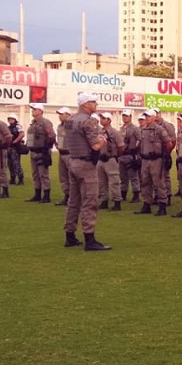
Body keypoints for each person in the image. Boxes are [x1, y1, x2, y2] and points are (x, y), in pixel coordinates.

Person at [63, 93, 111, 251]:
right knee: (90, 202)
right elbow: (96, 146)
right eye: (93, 102)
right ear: (85, 104)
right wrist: (103, 138)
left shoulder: (70, 120)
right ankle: (89, 239)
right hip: (86, 164)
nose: (95, 104)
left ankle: (70, 235)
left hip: (73, 160)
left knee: (73, 201)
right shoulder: (87, 121)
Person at [135, 109, 174, 216]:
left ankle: (162, 205)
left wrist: (165, 155)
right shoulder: (143, 130)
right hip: (145, 159)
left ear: (153, 117)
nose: (146, 118)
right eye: (145, 116)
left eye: (148, 116)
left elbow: (169, 143)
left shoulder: (159, 129)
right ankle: (147, 203)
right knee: (145, 182)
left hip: (156, 159)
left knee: (159, 182)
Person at [26, 104, 57, 203]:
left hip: (42, 151)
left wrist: (46, 148)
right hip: (33, 151)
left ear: (41, 111)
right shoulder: (33, 123)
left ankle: (46, 195)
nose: (33, 111)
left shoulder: (45, 122)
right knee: (35, 174)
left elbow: (52, 136)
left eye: (35, 109)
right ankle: (37, 194)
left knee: (43, 174)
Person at [96, 112, 125, 211]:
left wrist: (114, 155)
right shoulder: (100, 132)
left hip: (110, 159)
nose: (102, 120)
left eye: (104, 118)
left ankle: (117, 201)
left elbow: (121, 146)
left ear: (109, 120)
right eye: (101, 118)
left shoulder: (114, 132)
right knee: (101, 181)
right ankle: (104, 200)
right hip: (101, 159)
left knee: (114, 181)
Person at [153, 108, 176, 205]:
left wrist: (167, 153)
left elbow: (173, 141)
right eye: (154, 114)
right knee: (155, 176)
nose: (156, 115)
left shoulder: (167, 125)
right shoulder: (151, 126)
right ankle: (157, 196)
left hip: (164, 153)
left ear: (160, 114)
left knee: (165, 176)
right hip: (154, 155)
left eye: (157, 113)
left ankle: (168, 196)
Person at [118, 110, 142, 204]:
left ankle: (136, 194)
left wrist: (135, 149)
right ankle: (123, 194)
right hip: (122, 155)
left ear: (130, 117)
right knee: (123, 176)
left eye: (126, 116)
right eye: (123, 116)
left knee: (133, 176)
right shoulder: (121, 128)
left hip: (131, 154)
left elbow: (140, 139)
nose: (124, 118)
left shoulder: (135, 128)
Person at [54, 107, 73, 205]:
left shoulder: (72, 126)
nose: (60, 116)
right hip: (61, 153)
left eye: (62, 114)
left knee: (71, 176)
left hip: (70, 154)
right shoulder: (59, 126)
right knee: (63, 177)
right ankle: (66, 195)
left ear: (68, 115)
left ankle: (73, 198)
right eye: (60, 114)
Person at [7, 114, 25, 186]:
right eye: (9, 119)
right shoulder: (8, 127)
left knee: (16, 163)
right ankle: (12, 178)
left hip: (15, 147)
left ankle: (20, 179)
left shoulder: (18, 126)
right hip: (9, 147)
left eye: (12, 119)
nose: (10, 120)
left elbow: (22, 134)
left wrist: (15, 141)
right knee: (10, 164)